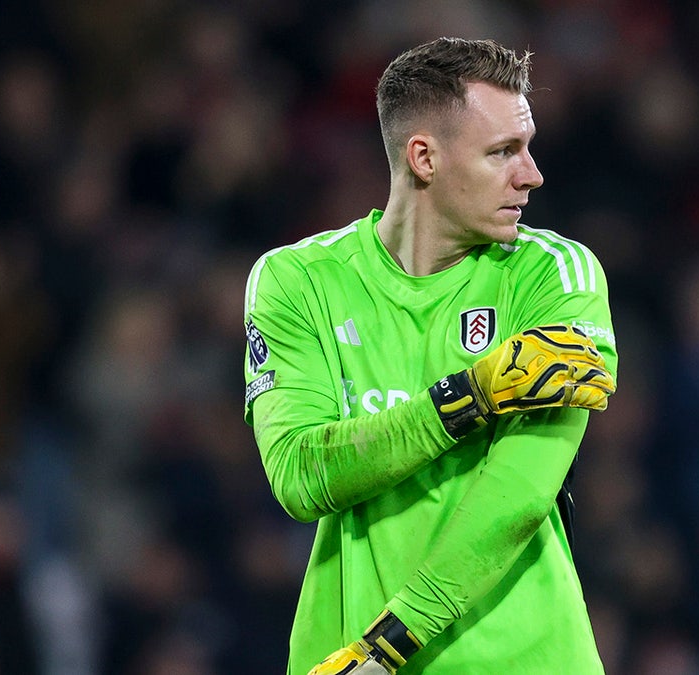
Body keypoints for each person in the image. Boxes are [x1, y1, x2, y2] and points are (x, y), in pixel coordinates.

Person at [242, 37, 618, 674]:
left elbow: (517, 497)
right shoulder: (297, 281)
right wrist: (466, 399)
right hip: (340, 657)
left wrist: (386, 647)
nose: (532, 174)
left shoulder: (556, 276)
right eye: (504, 152)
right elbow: (302, 477)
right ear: (424, 158)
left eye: (528, 148)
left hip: (515, 658)